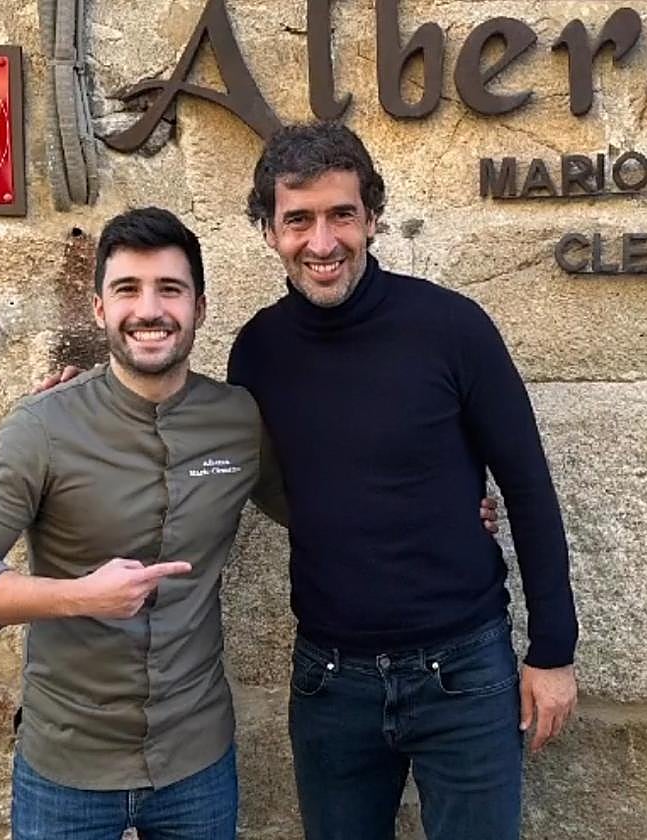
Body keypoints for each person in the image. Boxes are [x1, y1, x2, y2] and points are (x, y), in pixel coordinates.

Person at [228, 122, 579, 840]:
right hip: (329, 682)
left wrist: (553, 651)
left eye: (341, 216)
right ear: (269, 230)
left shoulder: (451, 328)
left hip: (465, 671)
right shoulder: (258, 350)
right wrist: (81, 403)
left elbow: (528, 488)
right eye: (298, 219)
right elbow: (235, 464)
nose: (321, 243)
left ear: (373, 218)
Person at [0, 207, 286, 839]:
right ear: (99, 309)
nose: (149, 310)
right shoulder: (42, 426)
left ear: (199, 308)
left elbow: (322, 511)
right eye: (127, 290)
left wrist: (445, 513)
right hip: (67, 765)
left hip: (196, 759)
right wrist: (78, 596)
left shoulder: (238, 420)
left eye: (169, 289)